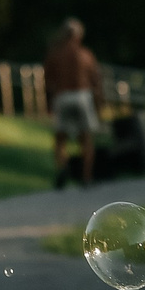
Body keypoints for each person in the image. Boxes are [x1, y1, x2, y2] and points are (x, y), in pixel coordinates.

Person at [45, 17, 101, 188]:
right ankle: (86, 177)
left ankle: (62, 167)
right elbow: (96, 81)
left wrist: (49, 104)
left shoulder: (55, 55)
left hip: (62, 97)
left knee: (60, 139)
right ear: (79, 36)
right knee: (86, 139)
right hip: (82, 97)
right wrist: (99, 105)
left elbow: (47, 82)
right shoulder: (86, 55)